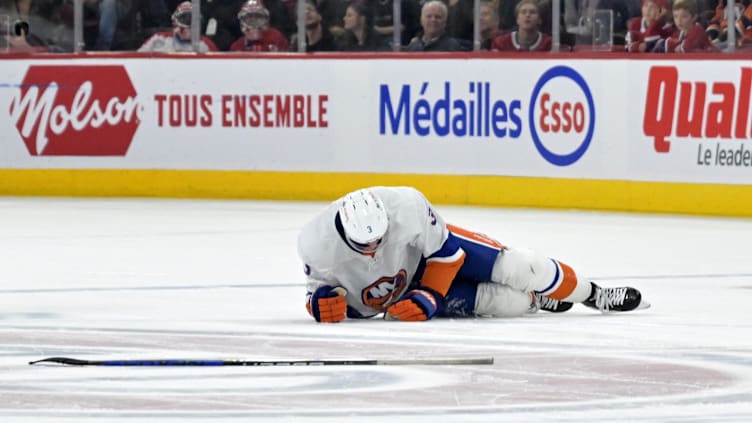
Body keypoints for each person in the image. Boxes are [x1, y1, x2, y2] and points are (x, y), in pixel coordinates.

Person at [297, 186, 649, 323]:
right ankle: (536, 301)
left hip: (430, 259)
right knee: (507, 304)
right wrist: (321, 303)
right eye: (364, 245)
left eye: (379, 239)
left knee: (522, 265)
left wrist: (430, 297)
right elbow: (319, 287)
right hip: (397, 296)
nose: (373, 249)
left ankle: (594, 294)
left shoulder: (406, 205)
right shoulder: (315, 241)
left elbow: (447, 255)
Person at [138, 1, 218, 53]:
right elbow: (137, 60)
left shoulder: (206, 44)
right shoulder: (158, 40)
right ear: (174, 22)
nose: (188, 25)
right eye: (184, 19)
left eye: (192, 20)